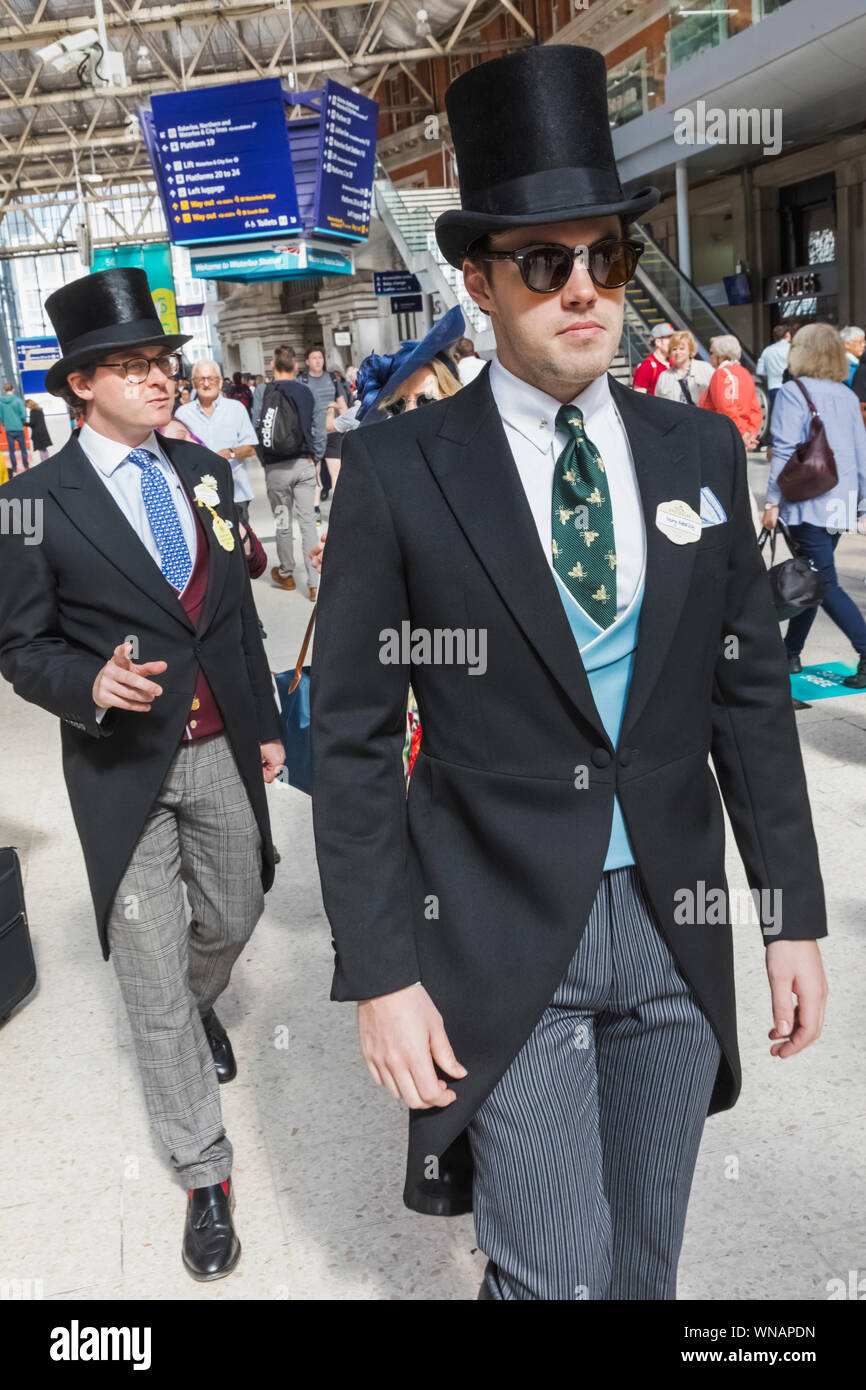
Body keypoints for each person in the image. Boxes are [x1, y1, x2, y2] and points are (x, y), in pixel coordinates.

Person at [310, 44, 828, 1303]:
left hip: (672, 921)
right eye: (545, 264)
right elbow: (353, 740)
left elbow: (745, 693)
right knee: (556, 1276)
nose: (584, 290)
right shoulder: (396, 469)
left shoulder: (699, 448)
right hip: (495, 930)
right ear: (479, 280)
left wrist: (789, 911)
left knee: (645, 1266)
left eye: (608, 257)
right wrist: (380, 972)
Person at [0, 267, 285, 1280]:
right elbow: (18, 643)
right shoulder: (29, 503)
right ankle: (203, 1172)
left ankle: (204, 1000)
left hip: (217, 746)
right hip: (118, 765)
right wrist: (89, 683)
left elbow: (236, 619)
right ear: (81, 384)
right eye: (133, 368)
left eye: (163, 364)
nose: (161, 381)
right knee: (152, 978)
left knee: (238, 905)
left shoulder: (205, 473)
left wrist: (265, 726)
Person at [763, 321, 866, 688]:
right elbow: (860, 451)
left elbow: (785, 451)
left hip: (809, 502)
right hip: (841, 502)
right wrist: (862, 501)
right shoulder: (847, 395)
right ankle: (790, 652)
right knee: (811, 575)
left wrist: (771, 501)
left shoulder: (794, 392)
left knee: (823, 581)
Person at [259, 344, 319, 602]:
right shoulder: (305, 392)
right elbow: (311, 428)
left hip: (276, 468)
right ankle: (315, 583)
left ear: (273, 365)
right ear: (296, 366)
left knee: (283, 523)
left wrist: (266, 461)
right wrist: (314, 457)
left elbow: (257, 428)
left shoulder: (264, 391)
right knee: (308, 523)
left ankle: (286, 573)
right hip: (303, 464)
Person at [175, 360, 258, 525]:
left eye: (211, 379)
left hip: (235, 493)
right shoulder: (182, 415)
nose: (206, 384)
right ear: (193, 383)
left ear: (220, 381)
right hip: (198, 497)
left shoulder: (236, 409)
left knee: (243, 546)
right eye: (201, 379)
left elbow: (250, 448)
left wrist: (231, 453)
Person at [296, 346, 349, 502]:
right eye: (314, 358)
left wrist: (348, 424)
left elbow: (342, 404)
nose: (318, 361)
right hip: (312, 433)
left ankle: (339, 508)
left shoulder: (333, 378)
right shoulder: (302, 381)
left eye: (320, 358)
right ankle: (316, 510)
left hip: (333, 432)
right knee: (314, 474)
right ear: (307, 361)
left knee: (337, 474)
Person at [699, 334, 763, 450]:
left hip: (721, 436)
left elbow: (726, 408)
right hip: (739, 436)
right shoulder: (745, 373)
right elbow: (755, 409)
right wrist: (750, 434)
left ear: (722, 357)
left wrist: (741, 434)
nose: (710, 356)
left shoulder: (721, 374)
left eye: (713, 353)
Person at [654, 330, 713, 405]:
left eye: (682, 348)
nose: (677, 352)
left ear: (690, 350)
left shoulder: (705, 369)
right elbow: (659, 403)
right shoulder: (664, 376)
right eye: (674, 349)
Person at [756, 323, 792, 416]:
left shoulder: (767, 350)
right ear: (787, 334)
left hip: (773, 388)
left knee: (777, 418)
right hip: (791, 388)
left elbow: (759, 371)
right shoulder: (793, 349)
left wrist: (771, 372)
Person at [631, 323, 673, 394]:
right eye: (669, 338)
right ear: (658, 342)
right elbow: (639, 399)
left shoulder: (674, 363)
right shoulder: (647, 366)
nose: (674, 342)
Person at [1, 382, 29, 473]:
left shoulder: (1, 402)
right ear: (12, 389)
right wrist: (22, 422)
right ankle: (26, 466)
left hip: (8, 429)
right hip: (19, 428)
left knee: (11, 450)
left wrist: (5, 424)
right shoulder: (18, 401)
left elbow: (0, 416)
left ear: (5, 390)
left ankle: (14, 468)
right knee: (23, 449)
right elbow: (23, 415)